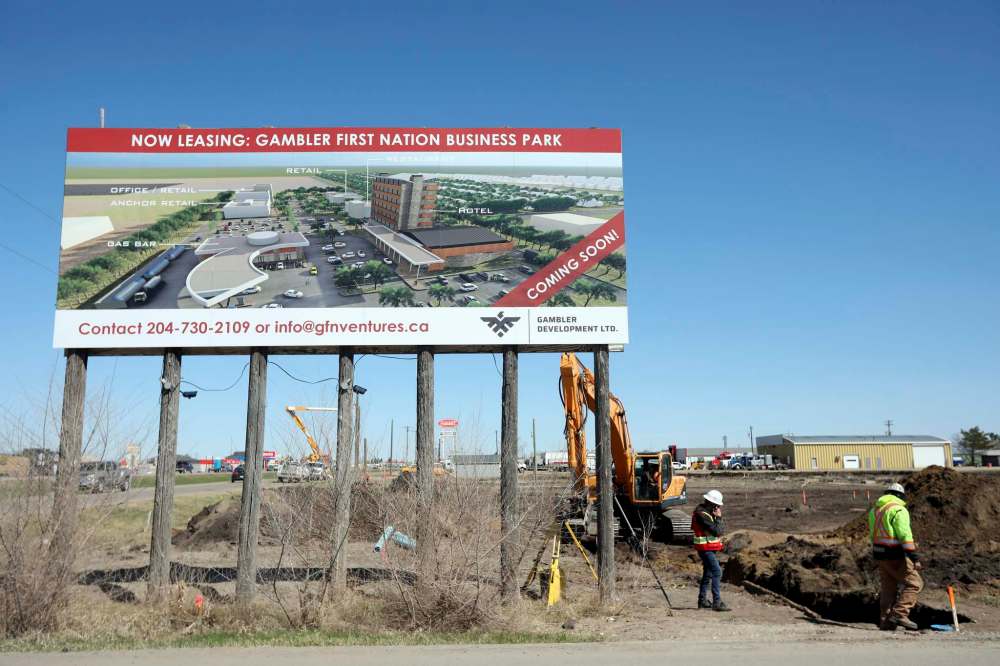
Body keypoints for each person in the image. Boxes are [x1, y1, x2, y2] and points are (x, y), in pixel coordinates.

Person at [868, 482, 923, 630]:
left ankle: (885, 622)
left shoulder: (875, 510)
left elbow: (872, 534)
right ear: (900, 496)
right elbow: (905, 535)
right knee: (915, 584)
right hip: (895, 554)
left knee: (888, 589)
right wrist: (914, 558)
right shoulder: (899, 510)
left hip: (879, 554)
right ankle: (899, 614)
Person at [691, 490, 729, 611]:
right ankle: (716, 602)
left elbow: (719, 531)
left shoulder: (706, 512)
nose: (717, 507)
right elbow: (718, 531)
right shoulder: (702, 514)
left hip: (708, 547)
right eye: (716, 504)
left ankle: (702, 601)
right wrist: (719, 518)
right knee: (717, 572)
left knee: (708, 574)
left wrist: (717, 518)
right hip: (705, 548)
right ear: (710, 503)